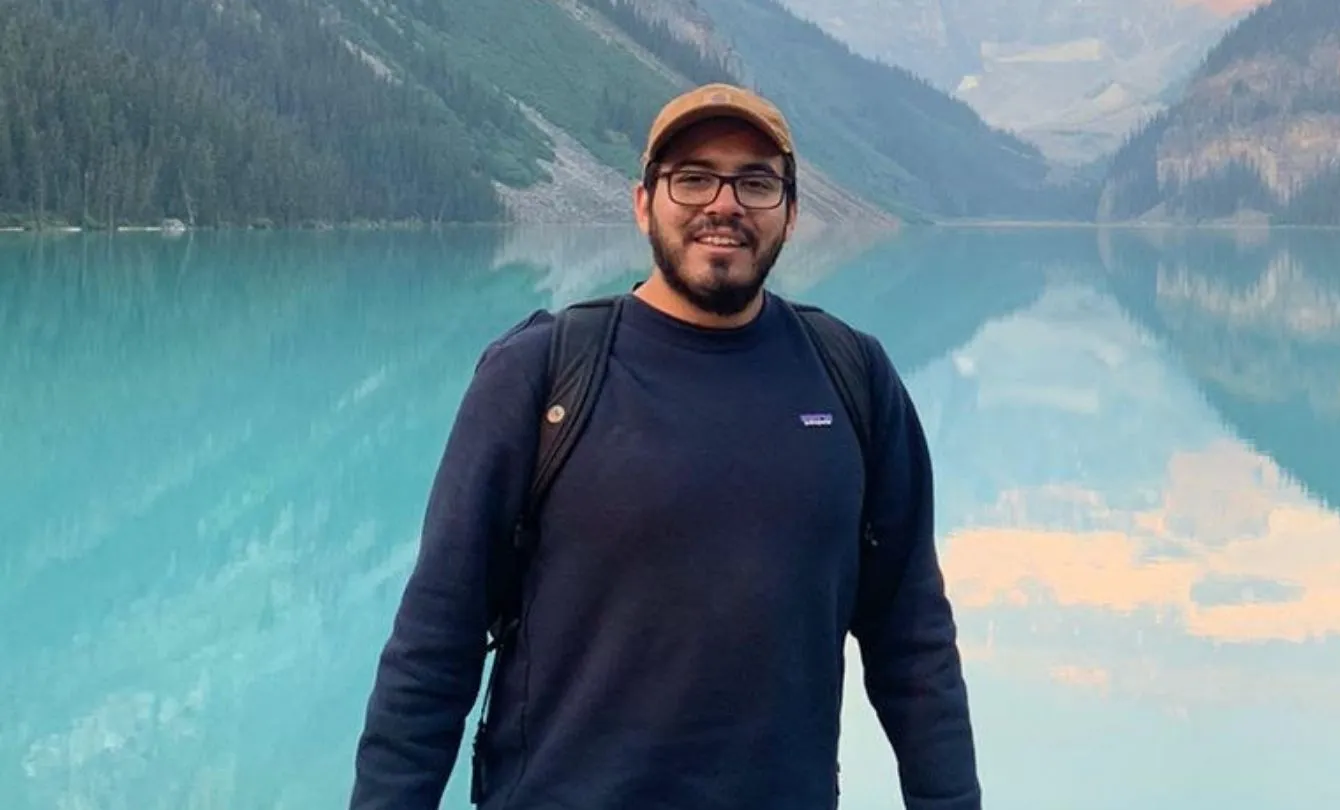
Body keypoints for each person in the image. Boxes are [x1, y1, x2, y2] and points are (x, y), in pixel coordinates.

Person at [348, 83, 982, 810]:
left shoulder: (853, 378)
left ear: (792, 212)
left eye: (755, 182)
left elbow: (913, 643)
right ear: (644, 202)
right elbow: (435, 646)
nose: (725, 204)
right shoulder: (540, 375)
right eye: (693, 177)